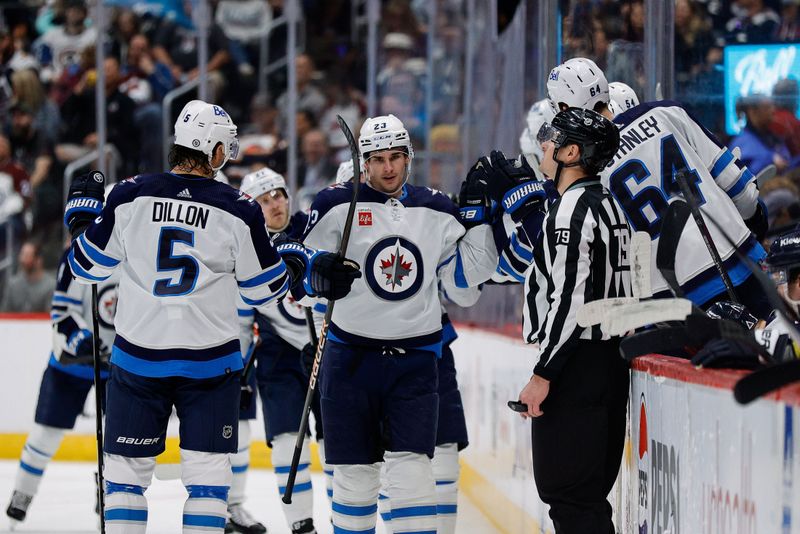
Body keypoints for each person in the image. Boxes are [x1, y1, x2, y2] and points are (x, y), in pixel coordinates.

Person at [61, 99, 359, 534]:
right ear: (214, 151)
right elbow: (265, 290)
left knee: (125, 481)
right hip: (210, 364)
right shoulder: (238, 207)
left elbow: (87, 268)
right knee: (206, 485)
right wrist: (298, 266)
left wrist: (80, 226)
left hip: (138, 360)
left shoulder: (129, 193)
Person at [301, 114, 497, 534]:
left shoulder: (438, 208)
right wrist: (317, 274)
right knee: (355, 478)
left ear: (409, 157)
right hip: (349, 358)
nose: (387, 168)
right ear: (362, 163)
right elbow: (298, 279)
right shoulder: (334, 205)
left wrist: (481, 221)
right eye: (377, 159)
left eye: (396, 157)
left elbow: (462, 288)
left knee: (413, 476)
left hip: (415, 362)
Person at [547, 57, 771, 318]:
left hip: (671, 305)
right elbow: (741, 190)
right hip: (742, 263)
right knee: (780, 348)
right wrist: (755, 223)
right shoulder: (667, 112)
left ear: (563, 108)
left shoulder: (585, 168)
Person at [511, 107, 631, 533]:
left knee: (570, 500)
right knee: (587, 501)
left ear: (571, 152)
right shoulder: (611, 205)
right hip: (608, 365)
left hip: (576, 369)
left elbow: (570, 302)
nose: (544, 144)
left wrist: (544, 373)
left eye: (553, 137)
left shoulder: (571, 211)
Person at [236, 166, 331, 534]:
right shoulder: (246, 246)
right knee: (287, 444)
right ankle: (301, 525)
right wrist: (238, 368)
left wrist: (327, 339)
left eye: (279, 194)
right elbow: (242, 318)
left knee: (337, 445)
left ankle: (347, 521)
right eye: (264, 199)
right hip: (278, 355)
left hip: (328, 348)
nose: (275, 204)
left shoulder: (315, 228)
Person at [5, 245, 117, 525]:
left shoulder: (137, 250)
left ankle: (108, 494)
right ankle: (23, 493)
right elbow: (62, 311)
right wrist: (82, 341)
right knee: (45, 435)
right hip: (71, 364)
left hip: (117, 367)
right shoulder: (77, 253)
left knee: (117, 445)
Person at [1, 240, 54, 312]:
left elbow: (51, 316)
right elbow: (5, 314)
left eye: (27, 256)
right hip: (16, 323)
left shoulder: (50, 286)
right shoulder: (13, 284)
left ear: (38, 260)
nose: (22, 260)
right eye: (22, 255)